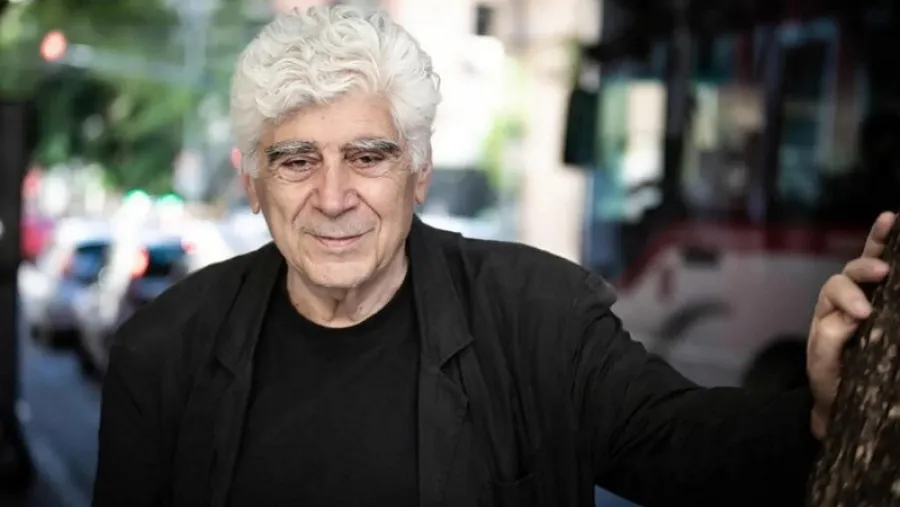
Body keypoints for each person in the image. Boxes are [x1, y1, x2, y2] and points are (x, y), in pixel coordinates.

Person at [92, 6, 895, 507]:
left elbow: (676, 441)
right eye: (297, 160)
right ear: (253, 183)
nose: (333, 196)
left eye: (368, 157)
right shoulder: (161, 353)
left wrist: (819, 413)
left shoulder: (536, 313)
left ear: (419, 173)